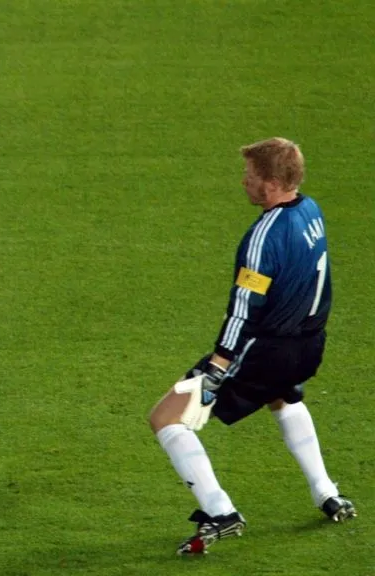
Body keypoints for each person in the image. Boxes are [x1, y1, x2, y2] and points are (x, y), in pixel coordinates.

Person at [147, 138, 356, 554]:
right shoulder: (311, 211)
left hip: (267, 349)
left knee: (166, 417)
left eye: (252, 177)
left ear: (272, 184)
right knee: (282, 395)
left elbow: (245, 308)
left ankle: (219, 510)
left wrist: (218, 366)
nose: (244, 183)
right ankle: (327, 493)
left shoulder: (263, 237)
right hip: (310, 344)